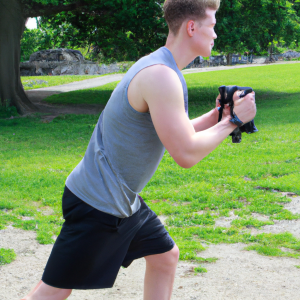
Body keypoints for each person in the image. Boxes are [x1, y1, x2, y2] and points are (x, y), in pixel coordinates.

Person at [22, 0, 256, 299]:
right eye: (212, 25)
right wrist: (234, 121)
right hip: (99, 202)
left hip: (120, 199)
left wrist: (218, 117)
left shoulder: (160, 66)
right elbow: (185, 154)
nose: (215, 34)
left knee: (165, 256)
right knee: (54, 292)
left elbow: (177, 132)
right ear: (192, 27)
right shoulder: (162, 76)